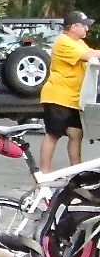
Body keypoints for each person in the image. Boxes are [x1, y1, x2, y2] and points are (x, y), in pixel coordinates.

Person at [39, 10, 100, 173]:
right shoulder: (63, 41)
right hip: (58, 96)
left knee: (76, 134)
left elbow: (93, 56)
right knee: (53, 135)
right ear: (73, 27)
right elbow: (89, 55)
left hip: (73, 98)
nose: (87, 29)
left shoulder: (78, 42)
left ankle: (77, 172)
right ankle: (44, 174)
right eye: (84, 26)